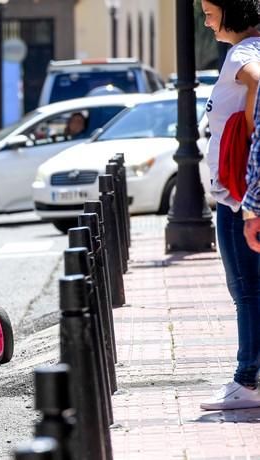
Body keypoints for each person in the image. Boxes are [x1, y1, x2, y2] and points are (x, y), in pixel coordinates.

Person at [199, 0, 260, 411]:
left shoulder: (242, 54)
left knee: (246, 290)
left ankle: (247, 380)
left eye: (209, 11)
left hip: (238, 197)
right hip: (242, 192)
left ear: (231, 12)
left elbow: (258, 79)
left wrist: (254, 115)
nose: (205, 20)